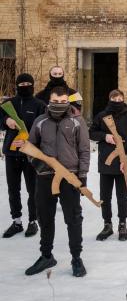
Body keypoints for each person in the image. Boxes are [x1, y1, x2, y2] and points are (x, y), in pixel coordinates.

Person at [25, 86, 90, 277]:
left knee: (73, 219)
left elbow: (84, 150)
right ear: (49, 101)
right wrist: (38, 164)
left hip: (70, 177)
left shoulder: (77, 122)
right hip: (45, 176)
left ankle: (76, 258)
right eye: (56, 101)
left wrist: (82, 175)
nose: (59, 105)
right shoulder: (40, 121)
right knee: (45, 217)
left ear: (68, 101)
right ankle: (46, 256)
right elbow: (31, 146)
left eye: (63, 102)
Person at [0, 73, 47, 238]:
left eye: (28, 83)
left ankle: (33, 221)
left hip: (30, 154)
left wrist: (31, 144)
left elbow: (44, 129)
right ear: (17, 85)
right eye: (22, 83)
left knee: (32, 189)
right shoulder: (8, 104)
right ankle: (17, 221)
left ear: (33, 85)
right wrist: (6, 121)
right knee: (13, 189)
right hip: (12, 154)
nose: (24, 86)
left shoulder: (40, 105)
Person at [90, 89, 127, 241]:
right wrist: (105, 136)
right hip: (106, 161)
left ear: (123, 100)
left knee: (122, 196)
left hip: (123, 164)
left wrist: (126, 159)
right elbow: (91, 133)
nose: (117, 101)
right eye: (114, 99)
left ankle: (122, 224)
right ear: (109, 99)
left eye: (120, 99)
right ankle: (107, 224)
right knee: (105, 195)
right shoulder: (102, 116)